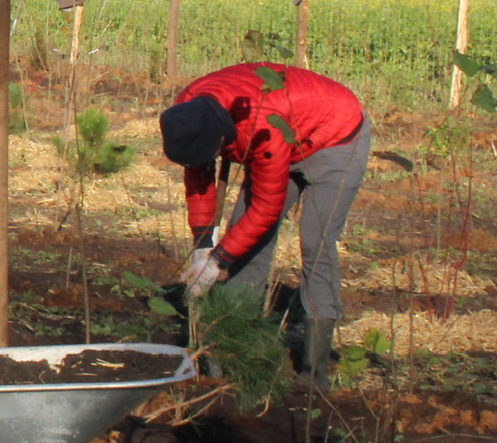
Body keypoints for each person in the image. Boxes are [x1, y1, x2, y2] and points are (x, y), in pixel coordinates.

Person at [159, 62, 372, 385]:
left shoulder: (261, 122)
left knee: (316, 243)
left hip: (334, 138)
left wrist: (219, 261)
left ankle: (313, 371)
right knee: (245, 244)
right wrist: (204, 245)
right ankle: (236, 350)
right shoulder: (188, 113)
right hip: (278, 131)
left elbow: (267, 208)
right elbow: (199, 179)